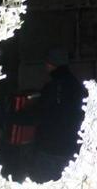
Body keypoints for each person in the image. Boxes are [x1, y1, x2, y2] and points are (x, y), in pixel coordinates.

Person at [25, 48, 86, 181]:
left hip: (50, 146)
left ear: (50, 64)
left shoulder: (53, 87)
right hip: (70, 144)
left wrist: (18, 116)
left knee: (44, 184)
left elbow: (40, 114)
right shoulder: (76, 85)